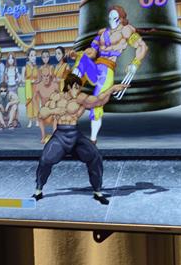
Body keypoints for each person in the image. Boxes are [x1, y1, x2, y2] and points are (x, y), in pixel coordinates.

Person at [33, 74, 129, 204]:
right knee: (45, 159)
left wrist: (111, 90)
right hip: (60, 135)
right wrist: (54, 110)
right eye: (76, 87)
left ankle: (97, 191)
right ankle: (38, 190)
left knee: (95, 156)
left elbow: (98, 101)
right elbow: (42, 113)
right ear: (68, 86)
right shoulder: (57, 97)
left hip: (75, 134)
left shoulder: (81, 98)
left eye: (79, 87)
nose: (78, 90)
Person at [74, 5, 148, 142]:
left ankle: (93, 140)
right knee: (81, 61)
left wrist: (135, 63)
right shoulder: (102, 33)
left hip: (107, 71)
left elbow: (142, 46)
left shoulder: (126, 31)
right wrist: (79, 55)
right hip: (96, 67)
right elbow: (92, 51)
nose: (111, 19)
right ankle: (70, 91)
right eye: (110, 17)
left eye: (114, 17)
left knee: (97, 103)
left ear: (120, 18)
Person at [33, 63, 60, 143]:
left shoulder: (55, 85)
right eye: (44, 76)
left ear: (50, 76)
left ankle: (54, 136)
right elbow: (34, 98)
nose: (46, 78)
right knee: (39, 116)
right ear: (41, 76)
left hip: (53, 109)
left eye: (47, 76)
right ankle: (43, 135)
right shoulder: (38, 86)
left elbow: (60, 96)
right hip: (44, 109)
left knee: (56, 117)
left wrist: (57, 108)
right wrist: (37, 109)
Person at [24, 49, 40, 127]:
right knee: (29, 103)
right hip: (28, 88)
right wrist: (29, 81)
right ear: (28, 57)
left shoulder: (36, 67)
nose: (34, 57)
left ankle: (37, 120)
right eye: (32, 55)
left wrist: (36, 81)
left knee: (36, 103)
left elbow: (39, 78)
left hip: (35, 87)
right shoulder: (25, 67)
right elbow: (22, 79)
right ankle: (30, 121)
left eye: (35, 55)